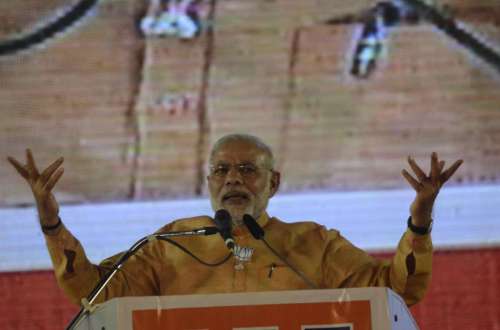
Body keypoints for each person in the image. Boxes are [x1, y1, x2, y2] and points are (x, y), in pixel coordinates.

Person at [7, 134, 463, 307]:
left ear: (274, 181)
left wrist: (419, 222)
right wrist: (51, 223)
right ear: (208, 180)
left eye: (247, 169)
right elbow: (92, 292)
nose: (233, 179)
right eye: (222, 170)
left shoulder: (313, 243)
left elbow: (401, 293)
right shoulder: (172, 243)